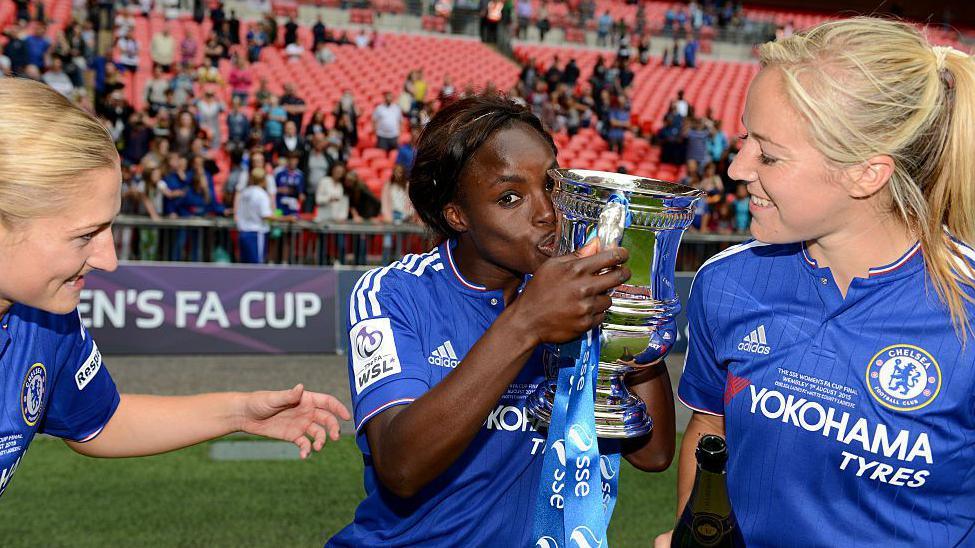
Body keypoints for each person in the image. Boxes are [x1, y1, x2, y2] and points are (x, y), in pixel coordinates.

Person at [654, 17, 975, 547]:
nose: (736, 168)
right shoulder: (728, 281)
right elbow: (712, 429)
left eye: (769, 154)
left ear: (866, 173)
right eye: (743, 140)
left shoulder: (963, 309)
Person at [328, 95, 674, 546]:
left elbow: (654, 452)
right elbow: (401, 465)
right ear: (457, 214)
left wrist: (629, 322)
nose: (547, 212)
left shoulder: (576, 293)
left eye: (552, 184)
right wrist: (526, 324)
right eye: (509, 197)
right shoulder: (393, 294)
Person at [0, 78, 350, 498]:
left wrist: (240, 413)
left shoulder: (44, 315)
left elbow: (99, 421)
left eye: (110, 227)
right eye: (84, 235)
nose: (108, 259)